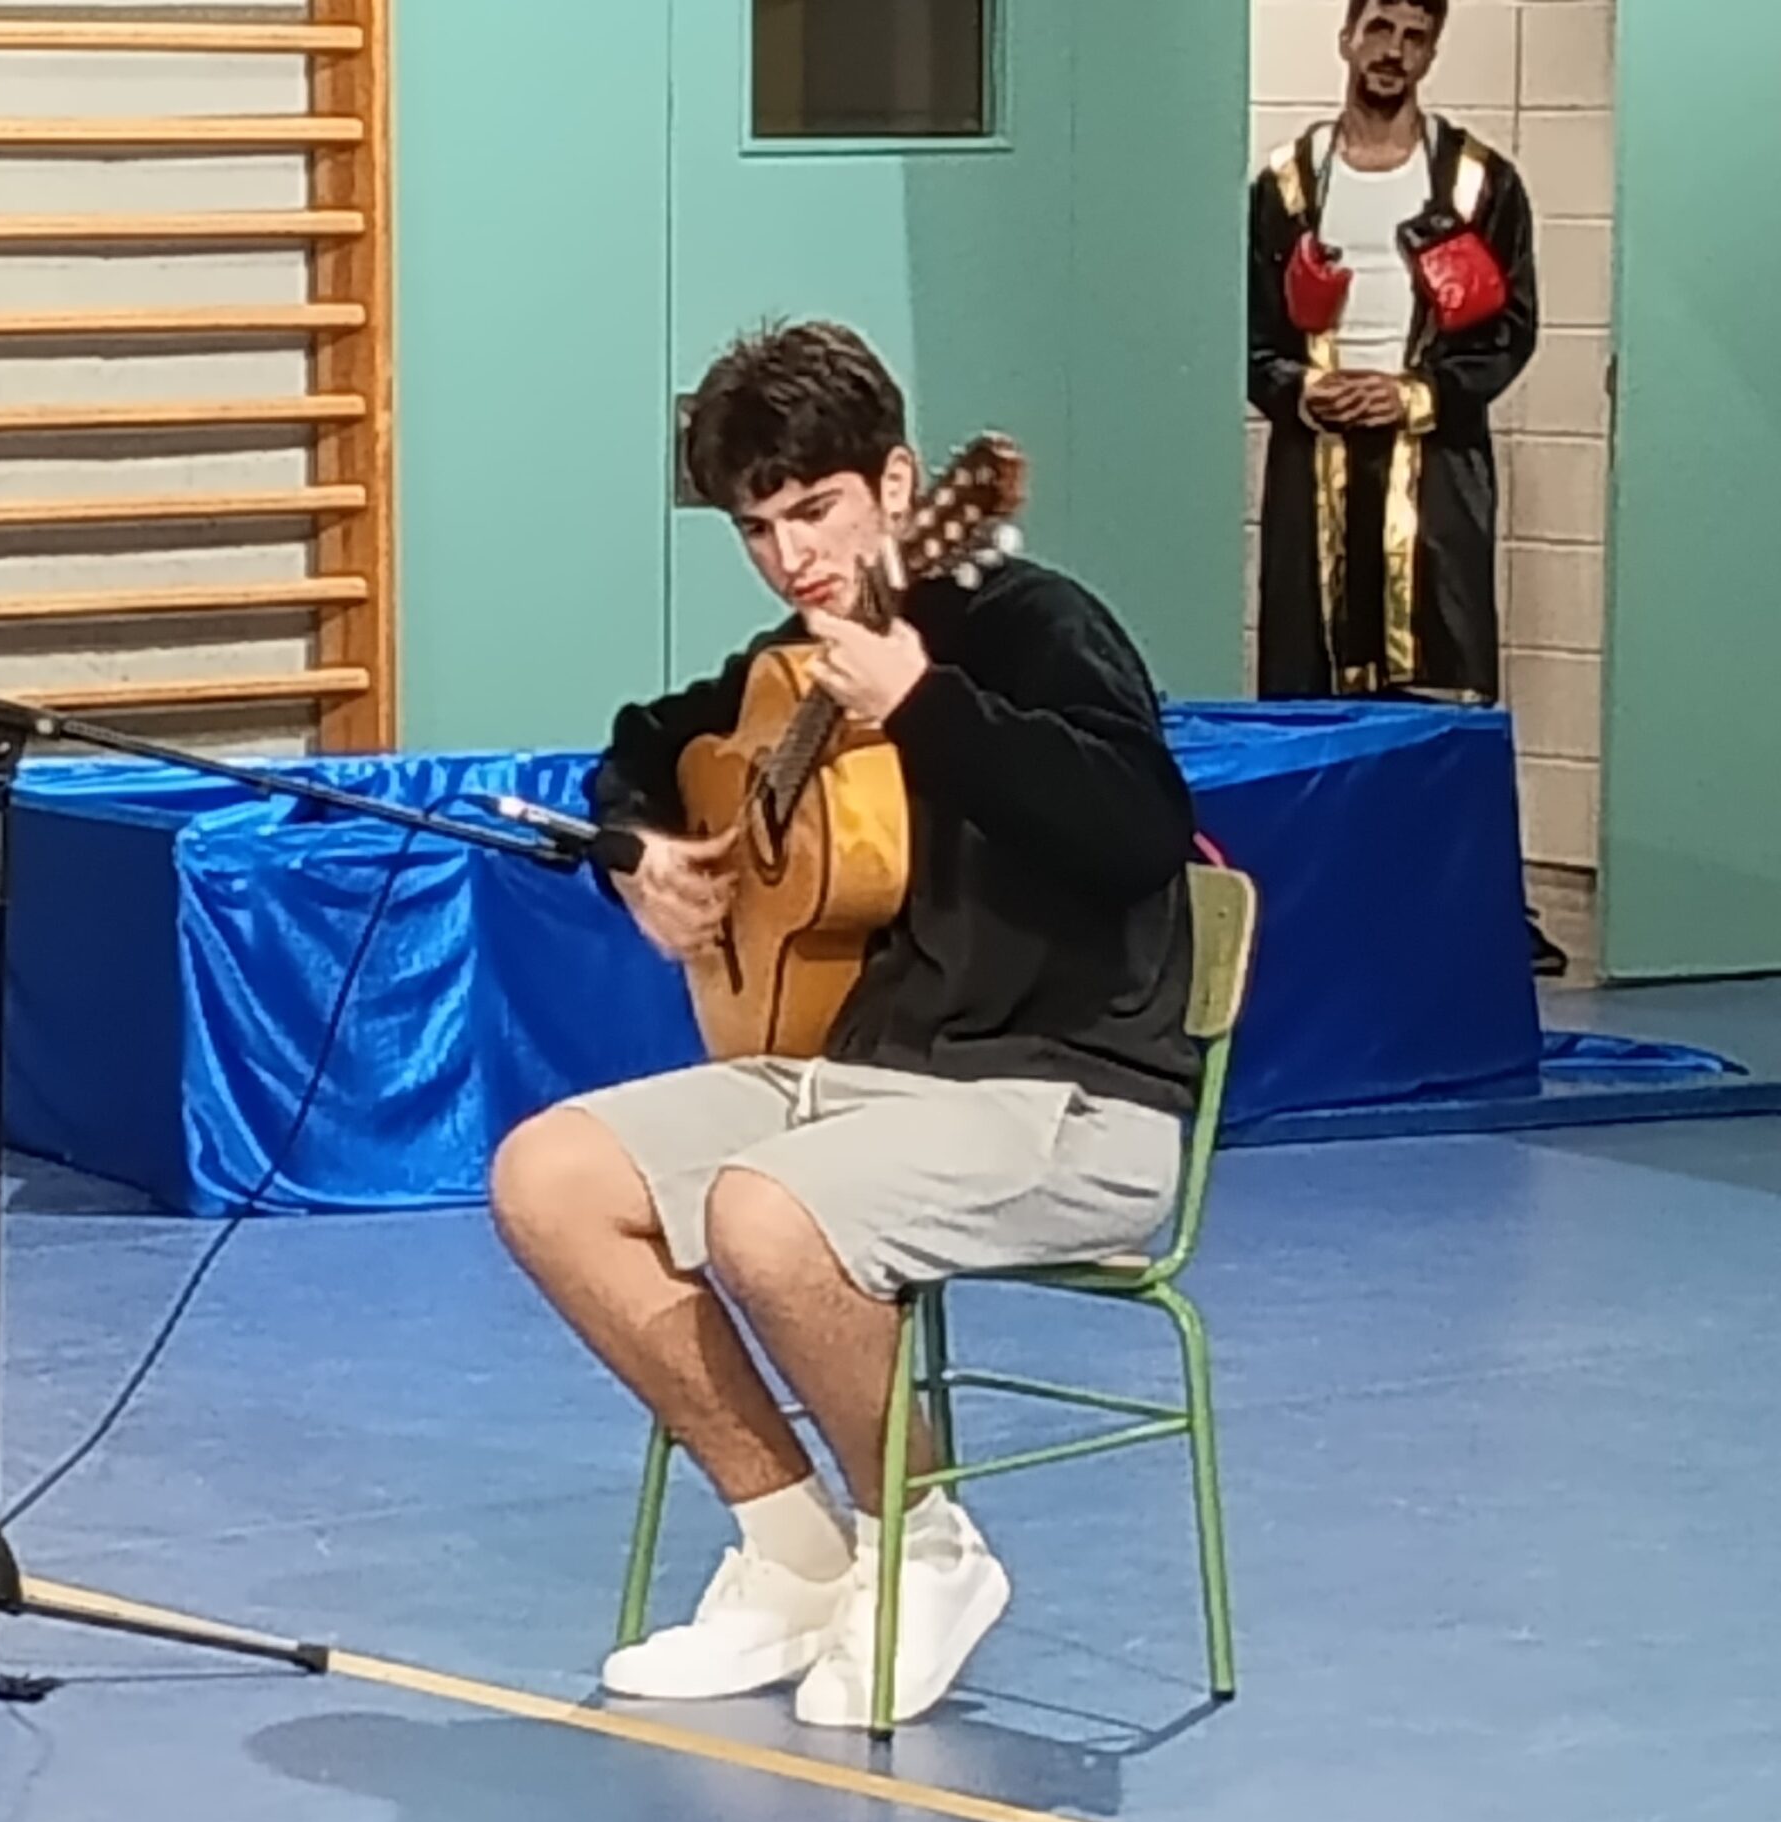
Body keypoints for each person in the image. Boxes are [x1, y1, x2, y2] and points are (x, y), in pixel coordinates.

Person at [486, 320, 1200, 1728]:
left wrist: (925, 706)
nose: (790, 556)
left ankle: (924, 1548)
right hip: (861, 1078)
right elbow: (646, 742)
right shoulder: (789, 665)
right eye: (758, 529)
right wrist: (640, 853)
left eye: (815, 511)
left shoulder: (1032, 624)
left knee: (764, 1216)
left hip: (1070, 1095)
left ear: (899, 484)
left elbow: (1138, 829)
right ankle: (794, 1550)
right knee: (546, 1177)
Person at [1250, 0, 1564, 972]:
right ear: (1347, 36)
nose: (1392, 52)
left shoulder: (1479, 183)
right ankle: (1309, 914)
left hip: (1434, 483)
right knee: (1308, 695)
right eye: (1379, 28)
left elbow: (1510, 331)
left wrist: (1414, 395)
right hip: (1314, 475)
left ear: (1432, 49)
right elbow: (1246, 333)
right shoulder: (1286, 185)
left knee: (1441, 692)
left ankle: (1460, 919)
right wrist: (1302, 390)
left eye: (1413, 36)